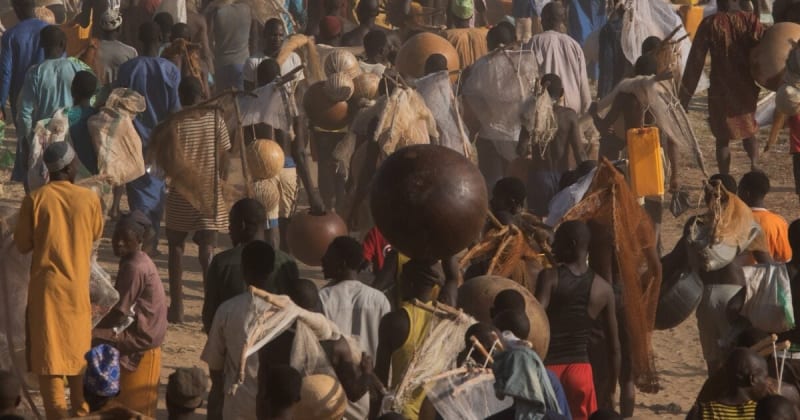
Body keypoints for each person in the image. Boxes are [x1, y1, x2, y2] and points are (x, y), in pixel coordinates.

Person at [14, 142, 104, 419]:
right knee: (78, 361)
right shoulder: (89, 200)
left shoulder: (35, 200)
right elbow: (95, 234)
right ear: (71, 166)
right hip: (76, 293)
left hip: (46, 295)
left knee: (49, 360)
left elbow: (22, 244)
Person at [535, 220, 620, 420]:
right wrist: (611, 389)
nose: (552, 248)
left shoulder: (549, 278)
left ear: (571, 244)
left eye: (557, 243)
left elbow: (536, 316)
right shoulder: (604, 289)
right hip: (581, 372)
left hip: (549, 371)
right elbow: (614, 348)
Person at [164, 76, 231, 323]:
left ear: (181, 97)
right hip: (208, 191)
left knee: (176, 247)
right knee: (207, 249)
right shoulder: (216, 119)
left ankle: (177, 307)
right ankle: (210, 307)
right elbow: (225, 154)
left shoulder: (175, 123)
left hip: (181, 191)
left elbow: (168, 160)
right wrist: (220, 180)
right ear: (202, 94)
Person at [256, 278, 373, 419]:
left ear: (287, 304)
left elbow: (263, 394)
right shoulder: (336, 343)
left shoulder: (272, 340)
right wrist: (367, 373)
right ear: (318, 303)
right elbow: (354, 393)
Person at [115, 21, 182, 253]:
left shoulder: (128, 68)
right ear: (162, 37)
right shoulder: (171, 71)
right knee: (157, 188)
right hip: (160, 139)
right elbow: (175, 111)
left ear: (138, 38)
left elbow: (117, 105)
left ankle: (144, 237)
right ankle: (150, 237)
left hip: (131, 138)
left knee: (137, 188)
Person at [93, 211, 168, 416]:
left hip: (143, 335)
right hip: (143, 328)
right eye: (116, 237)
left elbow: (119, 313)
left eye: (125, 240)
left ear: (139, 240)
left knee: (87, 338)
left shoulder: (134, 266)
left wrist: (91, 328)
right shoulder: (135, 259)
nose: (119, 244)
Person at [241, 58, 322, 249]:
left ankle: (269, 270)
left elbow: (246, 147)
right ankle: (283, 270)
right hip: (288, 170)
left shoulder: (249, 105)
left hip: (263, 170)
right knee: (286, 227)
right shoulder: (293, 107)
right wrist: (311, 193)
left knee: (269, 228)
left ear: (258, 80)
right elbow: (300, 151)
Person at [680, 0, 765, 174]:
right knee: (749, 130)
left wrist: (685, 97)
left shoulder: (710, 24)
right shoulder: (750, 21)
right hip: (745, 87)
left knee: (722, 139)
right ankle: (755, 165)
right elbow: (766, 49)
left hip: (720, 90)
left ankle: (725, 176)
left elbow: (695, 64)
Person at [202, 240, 277, 420]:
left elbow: (215, 365)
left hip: (237, 401)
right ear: (272, 270)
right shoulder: (287, 311)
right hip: (273, 403)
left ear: (243, 270)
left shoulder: (228, 310)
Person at [201, 199, 299, 335]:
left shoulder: (221, 263)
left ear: (241, 225)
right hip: (276, 344)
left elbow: (210, 316)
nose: (229, 229)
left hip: (234, 344)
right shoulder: (287, 262)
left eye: (231, 223)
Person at [16, 25, 91, 187]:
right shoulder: (76, 67)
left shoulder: (35, 72)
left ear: (42, 46)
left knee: (41, 184)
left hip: (44, 137)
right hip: (71, 135)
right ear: (63, 44)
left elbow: (25, 113)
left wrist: (27, 140)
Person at [375, 260, 444, 419]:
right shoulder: (446, 319)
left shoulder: (394, 321)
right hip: (434, 413)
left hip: (402, 412)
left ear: (410, 283)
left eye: (402, 280)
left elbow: (381, 377)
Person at [517, 73, 585, 217]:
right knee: (560, 222)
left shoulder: (532, 113)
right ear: (561, 93)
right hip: (563, 179)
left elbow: (521, 150)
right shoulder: (569, 116)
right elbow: (580, 154)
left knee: (538, 225)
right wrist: (587, 177)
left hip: (538, 178)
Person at [320, 236, 391, 358]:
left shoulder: (323, 297)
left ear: (342, 264)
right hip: (370, 373)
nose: (323, 260)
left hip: (334, 374)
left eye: (328, 257)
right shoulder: (379, 299)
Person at [1, 0, 48, 184]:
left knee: (25, 138)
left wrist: (1, 101)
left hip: (19, 95)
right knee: (45, 136)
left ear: (16, 8)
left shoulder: (11, 35)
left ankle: (26, 178)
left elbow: (5, 72)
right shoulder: (49, 30)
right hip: (46, 94)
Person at [526, 2, 591, 114]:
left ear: (543, 20)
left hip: (547, 111)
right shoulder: (574, 45)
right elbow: (584, 87)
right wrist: (586, 114)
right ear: (562, 21)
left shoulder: (535, 42)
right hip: (572, 110)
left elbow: (527, 79)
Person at [687, 348, 768, 419]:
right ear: (753, 379)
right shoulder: (765, 413)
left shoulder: (701, 413)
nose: (767, 383)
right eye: (765, 377)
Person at [739, 171, 792, 263]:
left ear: (746, 193)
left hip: (739, 275)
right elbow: (785, 257)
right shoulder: (778, 222)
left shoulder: (734, 220)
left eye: (739, 190)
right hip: (767, 274)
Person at [242, 18, 304, 91]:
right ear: (264, 34)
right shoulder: (252, 62)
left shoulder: (294, 58)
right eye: (273, 35)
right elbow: (249, 95)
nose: (277, 39)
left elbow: (299, 89)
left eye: (280, 35)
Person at [207, 0, 252, 92]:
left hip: (221, 64)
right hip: (243, 64)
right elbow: (254, 36)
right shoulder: (247, 8)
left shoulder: (215, 11)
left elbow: (209, 40)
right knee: (242, 101)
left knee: (222, 102)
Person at [67, 71, 100, 175]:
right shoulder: (98, 116)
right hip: (93, 176)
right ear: (94, 93)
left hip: (71, 174)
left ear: (72, 90)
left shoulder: (63, 117)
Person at [96, 8, 137, 85]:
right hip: (118, 96)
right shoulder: (131, 52)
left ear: (100, 28)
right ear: (119, 29)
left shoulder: (89, 50)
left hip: (95, 96)